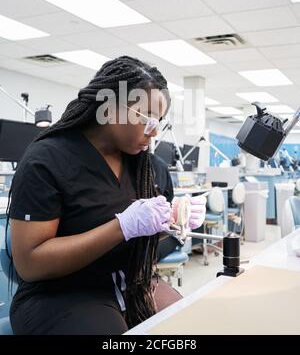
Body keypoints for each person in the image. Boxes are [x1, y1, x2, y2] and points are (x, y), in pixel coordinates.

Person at [7, 56, 205, 335]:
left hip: (131, 284)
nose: (154, 131)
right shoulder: (48, 160)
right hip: (62, 292)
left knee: (188, 326)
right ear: (110, 108)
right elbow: (30, 264)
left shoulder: (151, 169)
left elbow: (149, 239)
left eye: (159, 120)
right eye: (147, 118)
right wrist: (121, 227)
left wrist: (172, 222)